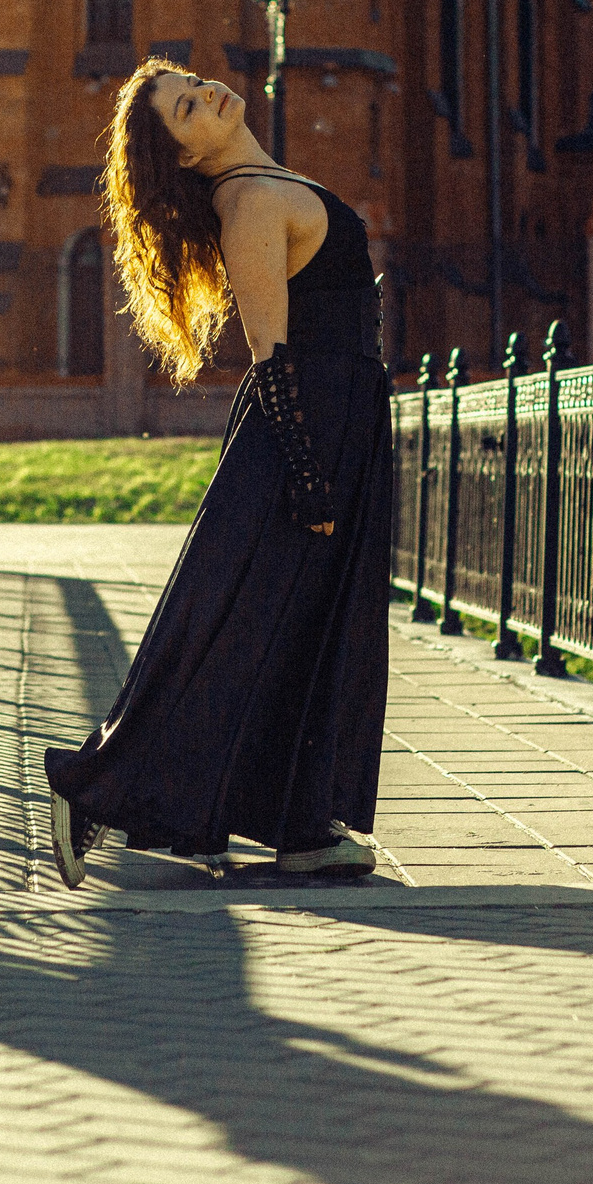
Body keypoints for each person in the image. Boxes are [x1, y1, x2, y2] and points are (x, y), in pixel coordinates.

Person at [44, 59, 392, 885]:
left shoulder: (265, 182)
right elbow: (272, 359)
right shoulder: (249, 203)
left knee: (302, 624)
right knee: (235, 625)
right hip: (304, 432)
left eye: (193, 86)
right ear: (188, 155)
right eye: (186, 109)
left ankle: (297, 823)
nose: (206, 96)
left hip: (337, 421)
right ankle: (91, 786)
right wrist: (309, 480)